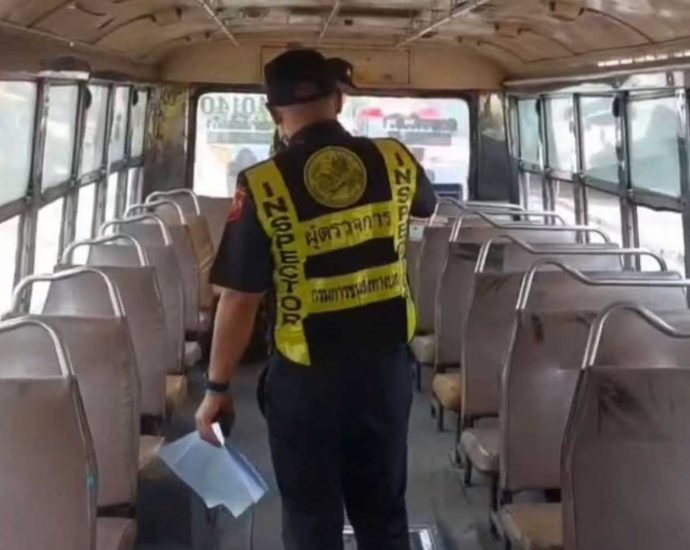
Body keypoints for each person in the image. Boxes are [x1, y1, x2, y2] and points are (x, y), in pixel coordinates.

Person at [195, 49, 437, 550]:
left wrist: (218, 387)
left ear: (272, 112)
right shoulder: (395, 158)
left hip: (307, 380)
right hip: (385, 371)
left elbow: (240, 298)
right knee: (383, 511)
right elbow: (424, 211)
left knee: (311, 519)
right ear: (339, 100)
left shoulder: (262, 185)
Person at [270, 56, 357, 156]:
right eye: (342, 90)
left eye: (346, 92)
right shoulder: (375, 153)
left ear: (274, 114)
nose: (344, 97)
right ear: (337, 99)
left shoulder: (268, 170)